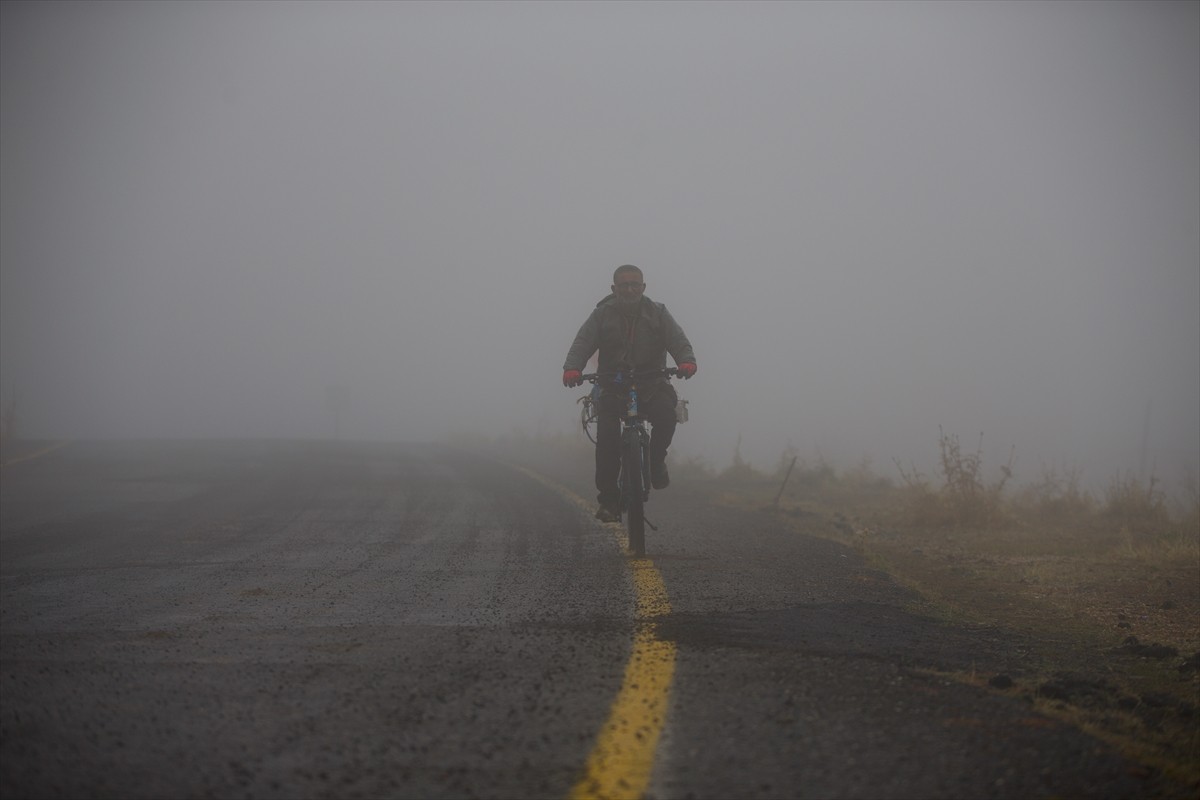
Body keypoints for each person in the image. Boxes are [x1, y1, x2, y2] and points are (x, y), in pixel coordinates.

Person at [562, 264, 697, 522]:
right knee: (607, 439)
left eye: (635, 284)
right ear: (614, 289)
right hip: (612, 386)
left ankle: (656, 463)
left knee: (666, 417)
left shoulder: (658, 313)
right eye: (624, 285)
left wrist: (686, 360)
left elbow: (678, 340)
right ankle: (609, 501)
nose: (630, 288)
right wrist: (572, 368)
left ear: (644, 287)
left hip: (652, 384)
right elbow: (582, 343)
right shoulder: (601, 315)